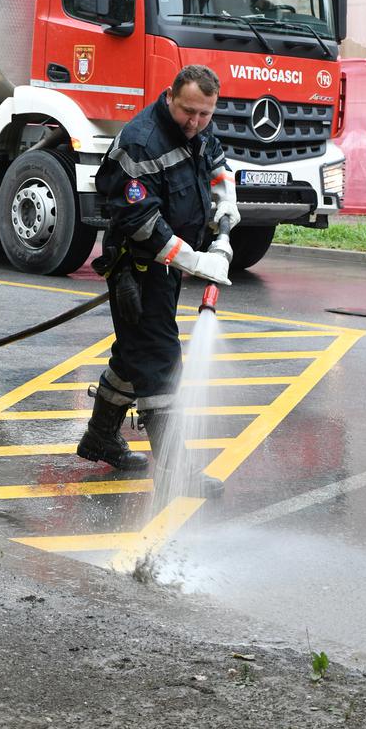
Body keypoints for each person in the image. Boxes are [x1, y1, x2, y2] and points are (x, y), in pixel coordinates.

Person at [76, 64, 241, 492]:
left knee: (134, 355)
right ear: (170, 97)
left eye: (205, 114)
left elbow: (216, 164)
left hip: (165, 268)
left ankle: (100, 438)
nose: (196, 122)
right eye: (189, 111)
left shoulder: (200, 130)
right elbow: (142, 220)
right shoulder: (141, 141)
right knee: (159, 359)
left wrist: (226, 202)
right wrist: (196, 260)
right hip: (136, 269)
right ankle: (176, 468)